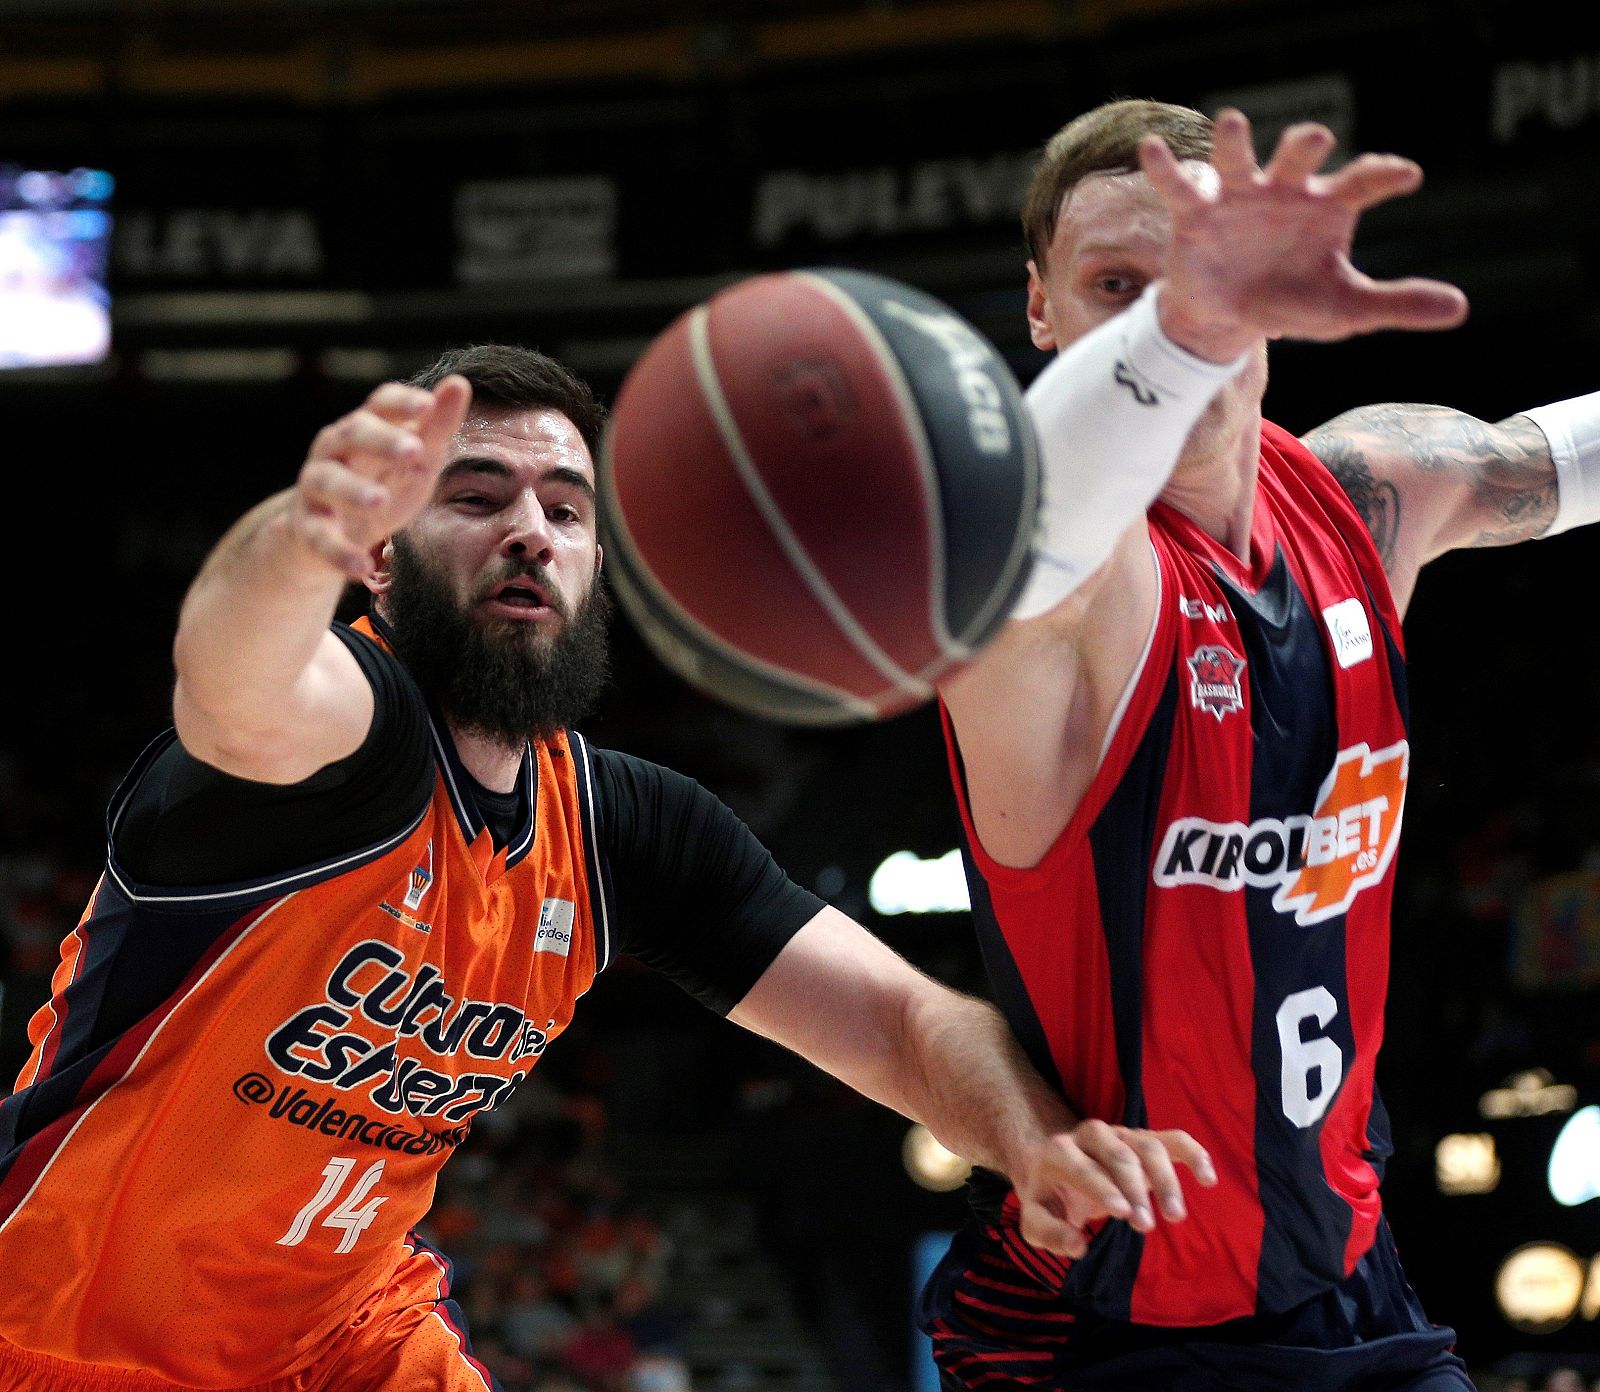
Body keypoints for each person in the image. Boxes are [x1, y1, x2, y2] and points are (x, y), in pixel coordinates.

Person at [0, 344, 1214, 1392]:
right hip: (63, 1332)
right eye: (473, 494)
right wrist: (294, 535)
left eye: (566, 508)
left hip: (348, 1337)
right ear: (380, 558)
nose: (530, 527)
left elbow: (900, 1022)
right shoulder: (342, 738)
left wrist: (1034, 1140)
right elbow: (233, 678)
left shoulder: (623, 828)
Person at [919, 100, 1598, 1390]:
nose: (1179, 316)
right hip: (1110, 1326)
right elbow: (1048, 518)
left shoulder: (1364, 498)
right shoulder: (1045, 588)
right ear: (1040, 313)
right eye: (1117, 286)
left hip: (1349, 1281)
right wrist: (1187, 329)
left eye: (1207, 280)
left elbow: (1546, 458)